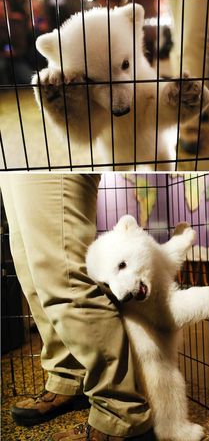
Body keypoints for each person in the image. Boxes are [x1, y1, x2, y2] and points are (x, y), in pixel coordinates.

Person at [1, 173, 152, 441]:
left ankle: (120, 414)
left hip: (47, 147)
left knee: (64, 276)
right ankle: (69, 376)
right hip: (11, 150)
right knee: (32, 272)